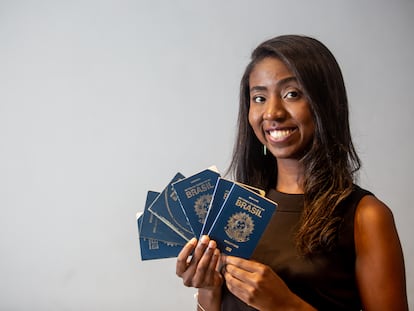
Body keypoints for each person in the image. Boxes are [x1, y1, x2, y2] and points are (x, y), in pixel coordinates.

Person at [176, 35, 408, 311]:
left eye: (292, 94)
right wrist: (209, 291)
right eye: (259, 98)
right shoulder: (231, 209)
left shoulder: (365, 216)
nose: (272, 112)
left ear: (325, 103)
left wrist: (286, 305)